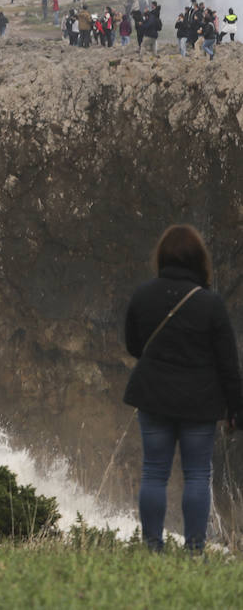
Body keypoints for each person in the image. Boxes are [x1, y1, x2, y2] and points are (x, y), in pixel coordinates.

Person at [123, 225, 242, 553]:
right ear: (199, 260)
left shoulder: (143, 295)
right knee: (197, 474)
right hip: (200, 404)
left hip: (154, 397)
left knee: (154, 472)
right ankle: (194, 551)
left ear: (161, 257)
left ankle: (152, 548)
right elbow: (229, 366)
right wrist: (236, 411)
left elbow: (135, 346)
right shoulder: (211, 304)